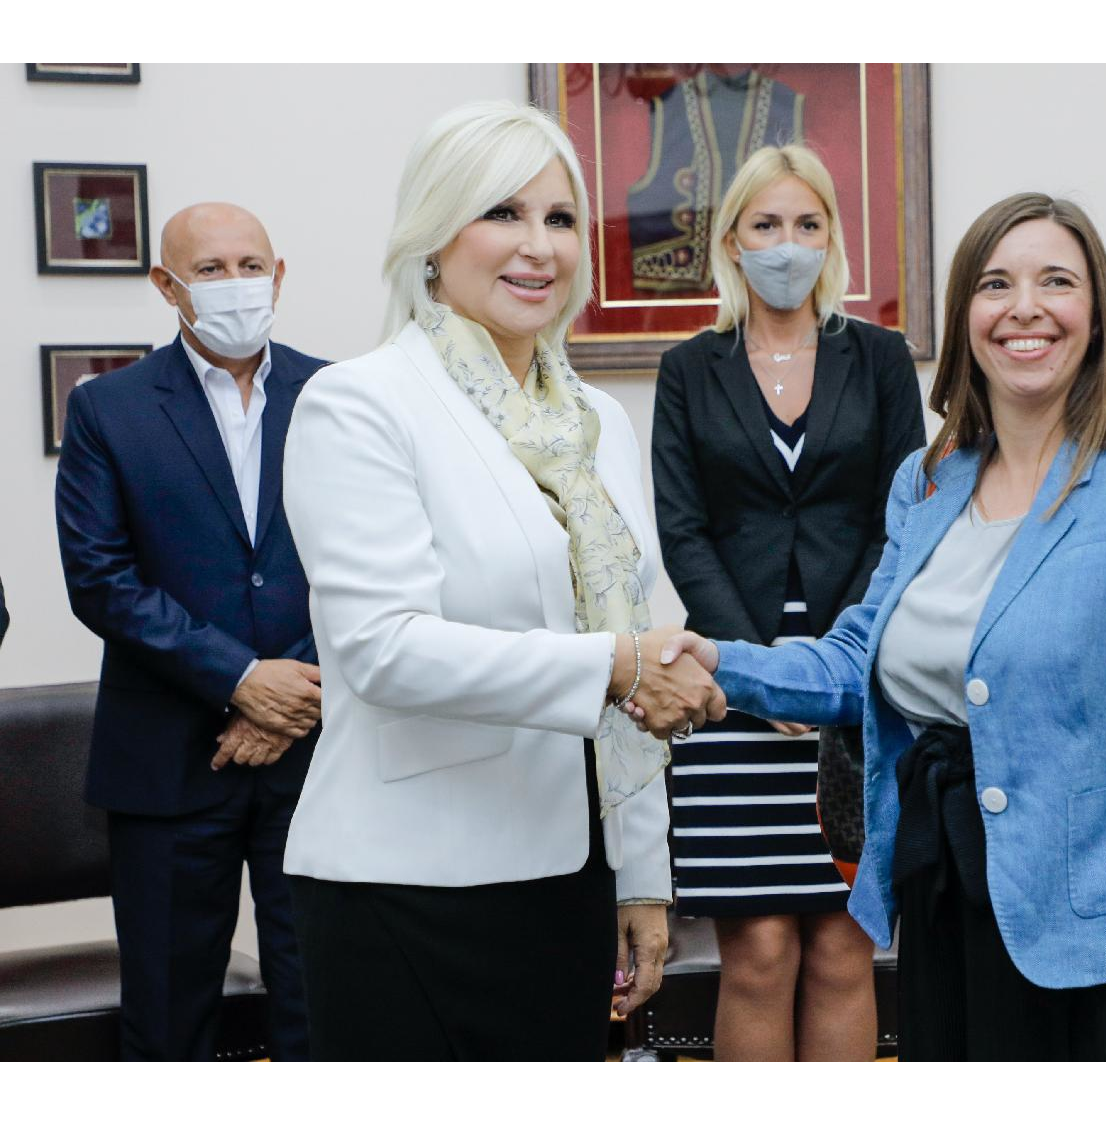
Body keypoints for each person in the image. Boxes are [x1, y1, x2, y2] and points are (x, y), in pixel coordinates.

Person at [643, 193, 1106, 1061]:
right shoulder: (928, 483)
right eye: (996, 284)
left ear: (1098, 314)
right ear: (967, 314)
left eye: (1057, 282)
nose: (1025, 308)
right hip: (943, 899)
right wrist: (719, 660)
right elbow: (859, 659)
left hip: (1103, 944)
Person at [279, 101, 724, 1062]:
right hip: (405, 884)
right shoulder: (360, 403)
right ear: (433, 236)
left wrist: (641, 874)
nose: (539, 246)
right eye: (502, 213)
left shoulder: (597, 420)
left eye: (560, 218)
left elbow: (630, 631)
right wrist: (615, 664)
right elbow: (385, 650)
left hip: (568, 876)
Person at [652, 144, 925, 1062]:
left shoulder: (879, 357)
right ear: (733, 240)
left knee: (846, 947)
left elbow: (902, 519)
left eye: (808, 224)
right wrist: (765, 675)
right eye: (767, 224)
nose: (788, 243)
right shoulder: (690, 368)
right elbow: (684, 530)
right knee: (760, 952)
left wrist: (828, 668)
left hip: (859, 674)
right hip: (730, 682)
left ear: (832, 238)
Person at [55, 203, 326, 1061]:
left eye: (252, 264)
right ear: (167, 286)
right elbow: (101, 580)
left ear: (279, 277)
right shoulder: (108, 408)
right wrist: (242, 679)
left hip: (319, 759)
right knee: (169, 1024)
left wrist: (294, 690)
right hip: (168, 764)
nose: (236, 283)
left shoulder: (339, 395)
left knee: (326, 1012)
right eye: (210, 269)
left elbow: (378, 568)